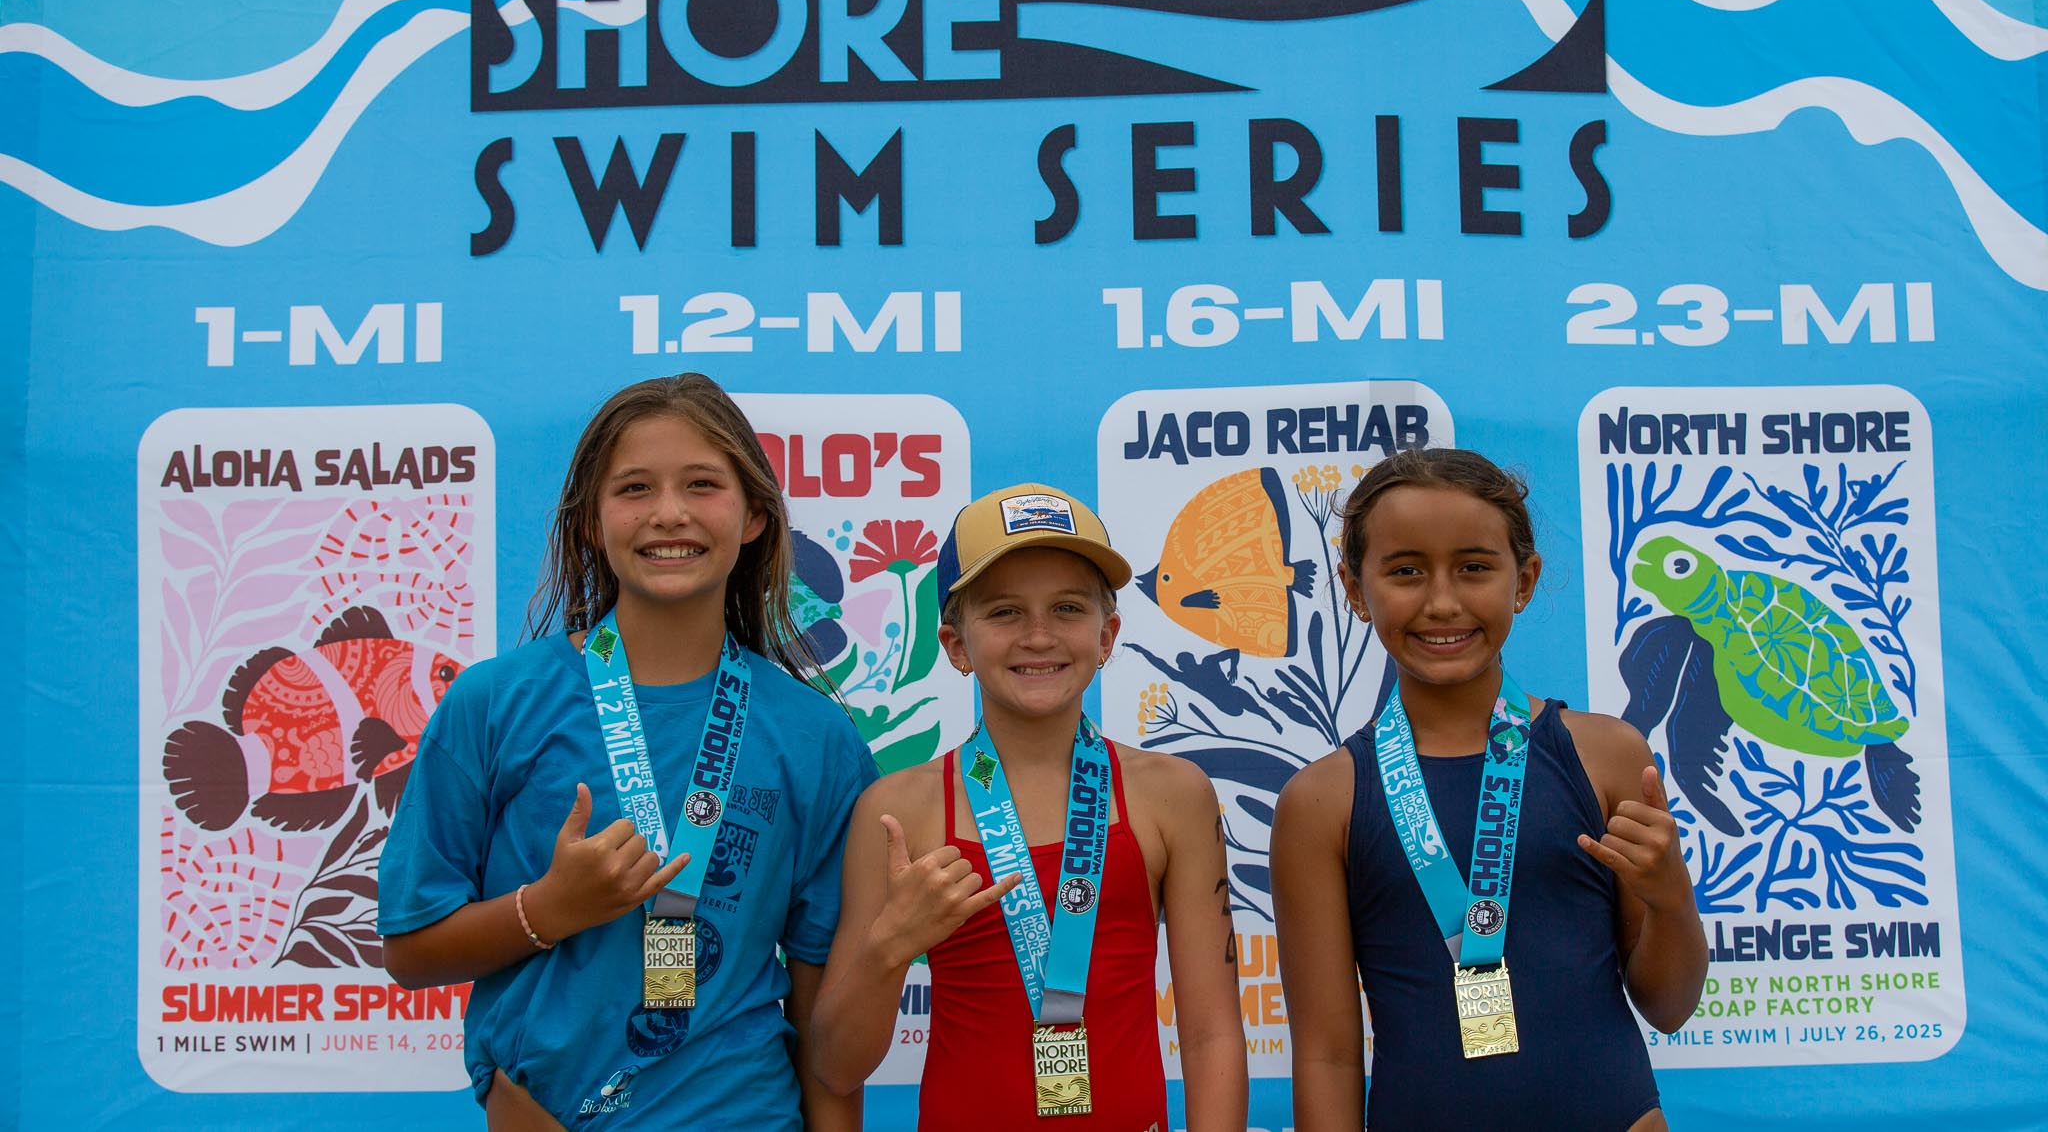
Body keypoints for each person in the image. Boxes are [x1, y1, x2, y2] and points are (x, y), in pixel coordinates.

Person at [378, 374, 876, 1130]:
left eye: (702, 484)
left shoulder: (817, 737)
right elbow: (410, 950)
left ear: (754, 516)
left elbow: (822, 1018)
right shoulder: (494, 703)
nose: (669, 512)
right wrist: (548, 909)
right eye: (635, 488)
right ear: (589, 521)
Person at [1272, 448, 1706, 1132]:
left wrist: (1671, 897)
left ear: (1523, 580)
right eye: (1406, 571)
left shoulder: (1607, 757)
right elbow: (1327, 1055)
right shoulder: (1323, 802)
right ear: (1355, 588)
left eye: (1474, 567)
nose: (1443, 601)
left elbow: (1670, 1005)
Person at [809, 483, 1248, 1130]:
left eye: (1067, 607)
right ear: (956, 645)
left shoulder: (1173, 794)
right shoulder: (899, 810)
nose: (1039, 636)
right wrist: (890, 946)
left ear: (1107, 634)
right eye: (1005, 612)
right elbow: (835, 1066)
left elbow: (1212, 1034)